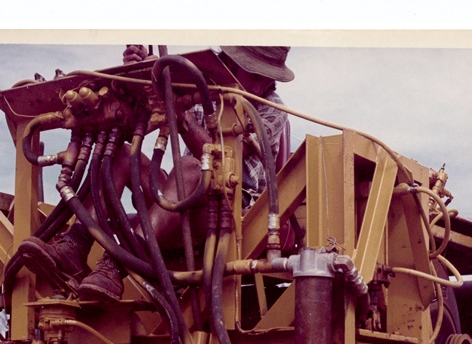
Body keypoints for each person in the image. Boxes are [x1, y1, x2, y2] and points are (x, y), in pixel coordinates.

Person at [18, 46, 294, 302]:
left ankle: (115, 264)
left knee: (188, 167)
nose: (259, 83)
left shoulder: (271, 108)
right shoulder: (203, 89)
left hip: (231, 207)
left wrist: (181, 115)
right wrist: (139, 82)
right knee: (125, 155)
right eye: (246, 69)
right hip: (185, 195)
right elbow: (138, 126)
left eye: (262, 75)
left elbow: (221, 160)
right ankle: (75, 245)